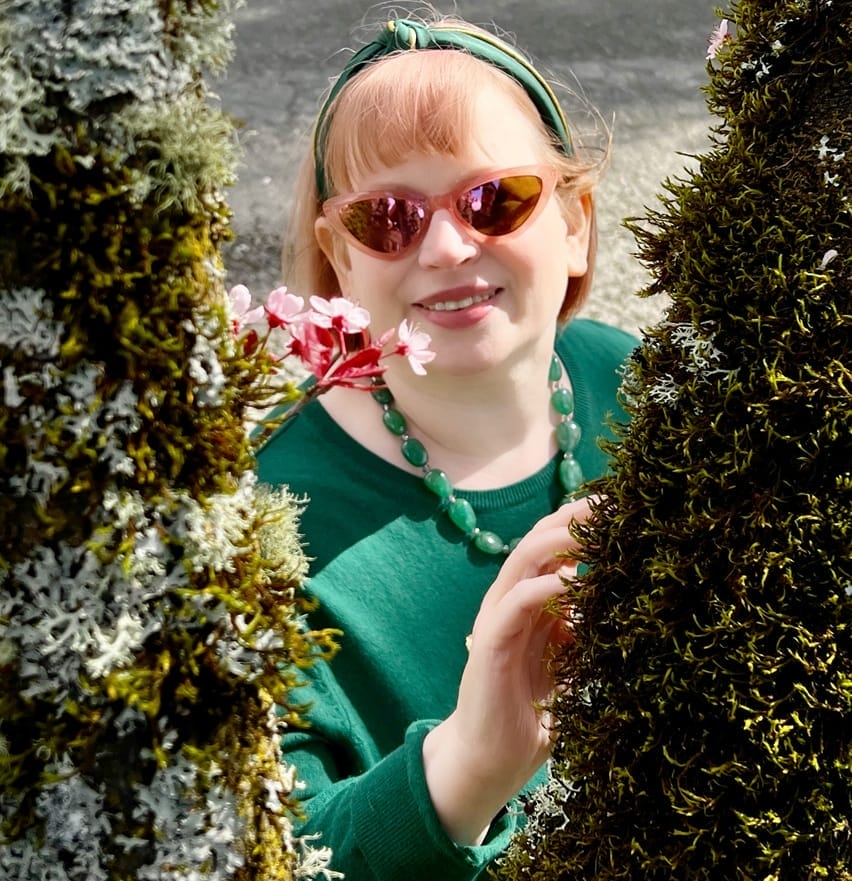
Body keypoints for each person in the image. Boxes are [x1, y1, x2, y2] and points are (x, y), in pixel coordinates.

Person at [256, 11, 638, 879]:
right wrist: (467, 768)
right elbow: (266, 852)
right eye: (386, 218)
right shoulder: (266, 522)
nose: (447, 245)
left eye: (494, 200)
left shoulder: (635, 383)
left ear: (575, 224)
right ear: (338, 258)